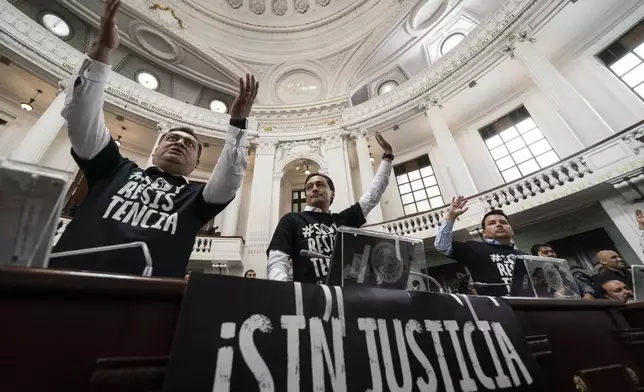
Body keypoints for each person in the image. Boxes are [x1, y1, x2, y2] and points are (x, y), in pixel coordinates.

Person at [53, 0, 258, 277]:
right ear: (157, 147)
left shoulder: (197, 198)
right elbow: (81, 117)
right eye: (172, 138)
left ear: (196, 162)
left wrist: (237, 124)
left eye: (189, 144)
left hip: (143, 302)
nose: (179, 143)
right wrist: (101, 54)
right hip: (65, 281)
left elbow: (231, 176)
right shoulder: (113, 170)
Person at [266, 133, 394, 284]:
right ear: (306, 195)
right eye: (309, 187)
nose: (314, 189)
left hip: (343, 296)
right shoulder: (291, 220)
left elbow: (372, 196)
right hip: (309, 298)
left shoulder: (342, 220)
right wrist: (282, 291)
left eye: (320, 185)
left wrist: (387, 157)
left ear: (332, 193)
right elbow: (277, 258)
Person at [434, 196, 526, 296]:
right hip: (496, 309)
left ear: (511, 230)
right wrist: (450, 217)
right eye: (492, 223)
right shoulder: (474, 248)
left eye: (503, 222)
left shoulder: (525, 256)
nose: (499, 225)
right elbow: (442, 246)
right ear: (484, 233)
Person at [530, 243, 595, 299]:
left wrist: (588, 293)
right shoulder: (536, 276)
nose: (551, 254)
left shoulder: (562, 271)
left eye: (552, 251)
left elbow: (581, 285)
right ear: (537, 256)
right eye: (545, 252)